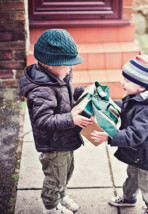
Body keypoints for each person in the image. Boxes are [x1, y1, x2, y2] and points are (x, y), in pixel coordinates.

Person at [20, 29, 92, 214]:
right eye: (68, 64)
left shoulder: (61, 76)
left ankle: (61, 195)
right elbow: (43, 120)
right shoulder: (41, 89)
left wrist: (83, 92)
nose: (71, 68)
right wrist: (71, 118)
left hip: (64, 139)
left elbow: (66, 95)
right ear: (51, 64)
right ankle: (50, 206)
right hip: (53, 145)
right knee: (54, 178)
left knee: (67, 171)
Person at [91, 54, 148, 214]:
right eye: (123, 78)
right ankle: (128, 198)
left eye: (127, 81)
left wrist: (110, 136)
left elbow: (135, 135)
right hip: (138, 153)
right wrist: (109, 104)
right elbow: (127, 106)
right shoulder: (138, 96)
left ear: (141, 86)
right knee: (132, 177)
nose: (122, 82)